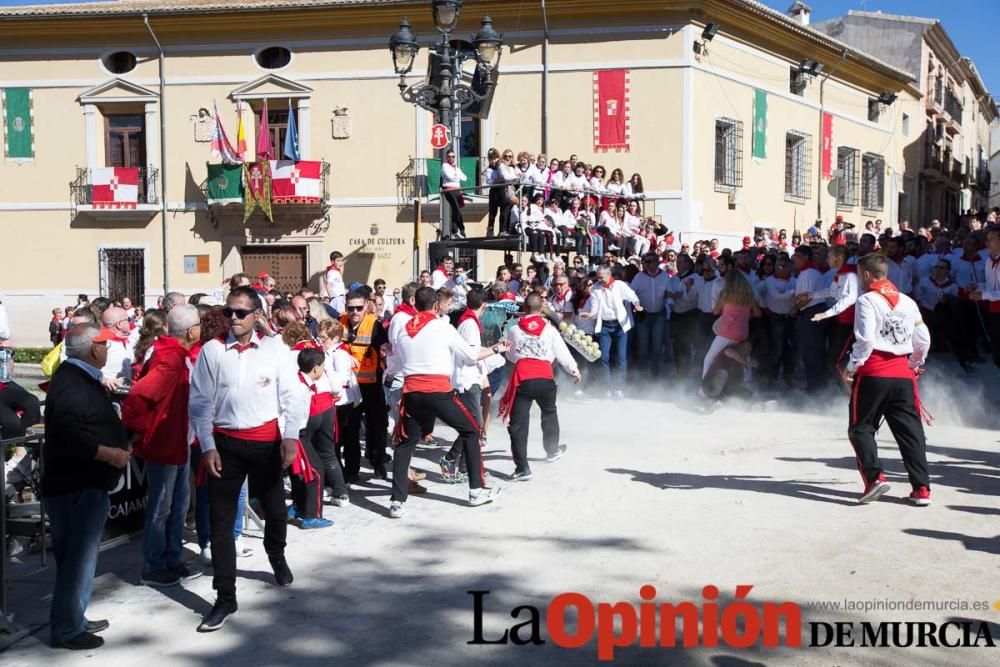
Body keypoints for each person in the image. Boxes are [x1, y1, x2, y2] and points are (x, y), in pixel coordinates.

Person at [188, 286, 304, 632]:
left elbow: (292, 396)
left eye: (241, 312)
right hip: (225, 446)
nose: (233, 318)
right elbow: (200, 402)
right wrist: (207, 445)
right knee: (221, 524)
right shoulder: (211, 351)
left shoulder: (275, 350)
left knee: (275, 510)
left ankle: (276, 555)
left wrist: (291, 438)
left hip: (266, 444)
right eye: (229, 312)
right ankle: (225, 597)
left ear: (257, 315)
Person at [43, 323, 130, 650]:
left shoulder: (77, 379)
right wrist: (109, 454)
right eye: (105, 344)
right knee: (77, 558)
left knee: (78, 558)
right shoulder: (71, 384)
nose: (109, 349)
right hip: (76, 485)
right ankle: (67, 628)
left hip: (82, 483)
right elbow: (69, 436)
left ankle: (73, 616)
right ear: (94, 349)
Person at [388, 286, 509, 519]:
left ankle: (397, 502)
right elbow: (471, 356)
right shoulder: (443, 328)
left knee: (405, 445)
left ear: (415, 305)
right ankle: (476, 491)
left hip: (412, 392)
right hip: (438, 391)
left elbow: (401, 359)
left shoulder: (403, 329)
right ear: (435, 306)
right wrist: (496, 348)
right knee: (472, 430)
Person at [122, 304, 203, 588]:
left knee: (178, 505)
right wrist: (134, 433)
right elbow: (139, 397)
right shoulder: (170, 359)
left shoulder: (176, 355)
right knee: (162, 507)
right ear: (192, 330)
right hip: (165, 444)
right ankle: (153, 565)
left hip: (180, 441)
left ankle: (172, 557)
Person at [844, 254, 932, 506]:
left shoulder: (867, 300)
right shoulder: (907, 301)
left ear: (867, 275)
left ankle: (874, 479)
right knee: (910, 433)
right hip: (903, 373)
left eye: (860, 274)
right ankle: (922, 488)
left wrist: (852, 365)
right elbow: (923, 339)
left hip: (874, 371)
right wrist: (914, 365)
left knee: (861, 427)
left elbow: (866, 339)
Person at [499, 293, 580, 481]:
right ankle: (552, 450)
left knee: (519, 424)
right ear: (540, 308)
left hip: (523, 379)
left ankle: (522, 468)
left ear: (524, 309)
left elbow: (510, 356)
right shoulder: (550, 329)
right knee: (549, 413)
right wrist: (574, 370)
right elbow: (562, 352)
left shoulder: (513, 330)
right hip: (545, 377)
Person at [340, 291, 390, 481]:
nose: (354, 312)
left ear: (365, 307)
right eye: (350, 308)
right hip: (350, 386)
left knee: (376, 426)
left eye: (359, 308)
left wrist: (386, 347)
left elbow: (384, 344)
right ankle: (352, 470)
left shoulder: (374, 324)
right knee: (350, 429)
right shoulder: (340, 323)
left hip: (371, 384)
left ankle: (378, 463)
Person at [581, 264, 642, 399]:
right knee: (603, 357)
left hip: (620, 325)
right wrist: (590, 314)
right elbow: (595, 307)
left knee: (621, 357)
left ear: (609, 275)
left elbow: (632, 296)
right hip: (605, 326)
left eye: (601, 277)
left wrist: (637, 304)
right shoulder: (596, 288)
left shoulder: (620, 285)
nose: (599, 280)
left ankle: (619, 388)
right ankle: (607, 387)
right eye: (598, 277)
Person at [809, 245, 859, 385]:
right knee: (837, 361)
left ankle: (850, 395)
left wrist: (826, 314)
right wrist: (811, 295)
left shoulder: (850, 275)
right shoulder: (840, 274)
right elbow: (832, 292)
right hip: (843, 321)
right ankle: (850, 392)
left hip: (851, 322)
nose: (827, 259)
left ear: (839, 258)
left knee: (834, 362)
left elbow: (850, 299)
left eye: (829, 257)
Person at [630, 252, 671, 378]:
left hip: (659, 314)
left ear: (657, 262)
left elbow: (669, 295)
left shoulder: (665, 276)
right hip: (643, 315)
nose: (646, 264)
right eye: (645, 262)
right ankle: (643, 373)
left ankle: (655, 374)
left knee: (657, 345)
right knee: (643, 345)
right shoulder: (639, 277)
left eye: (649, 261)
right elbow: (631, 294)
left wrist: (669, 313)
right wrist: (636, 305)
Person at [441, 150, 468, 238]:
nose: (451, 158)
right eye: (449, 156)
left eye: (453, 156)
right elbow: (450, 176)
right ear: (446, 157)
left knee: (456, 210)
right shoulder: (445, 165)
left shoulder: (456, 168)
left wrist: (455, 175)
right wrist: (457, 176)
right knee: (456, 208)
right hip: (449, 190)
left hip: (457, 190)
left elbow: (465, 178)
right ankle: (458, 230)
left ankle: (458, 231)